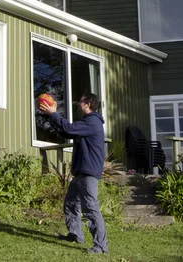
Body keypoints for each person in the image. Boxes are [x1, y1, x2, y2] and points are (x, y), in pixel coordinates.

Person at [39, 93, 108, 255]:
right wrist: (51, 116)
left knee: (90, 208)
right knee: (70, 203)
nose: (78, 103)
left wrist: (53, 113)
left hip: (88, 171)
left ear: (88, 104)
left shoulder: (92, 122)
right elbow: (67, 132)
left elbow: (69, 128)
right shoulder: (87, 122)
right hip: (80, 172)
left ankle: (101, 246)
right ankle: (75, 235)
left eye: (81, 101)